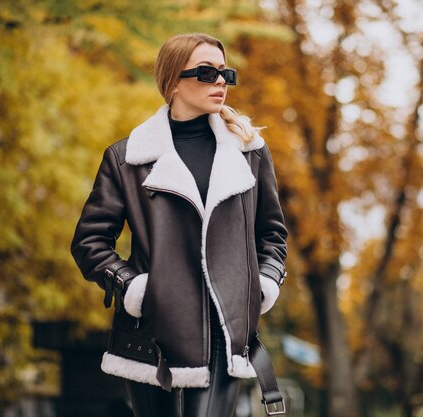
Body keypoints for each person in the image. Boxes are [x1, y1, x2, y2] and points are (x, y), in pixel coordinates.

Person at [70, 33, 288, 417]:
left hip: (224, 332)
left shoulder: (248, 151)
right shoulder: (128, 158)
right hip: (149, 331)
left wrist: (263, 285)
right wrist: (134, 287)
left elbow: (271, 235)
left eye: (225, 73)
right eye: (207, 72)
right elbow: (89, 241)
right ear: (172, 81)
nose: (220, 81)